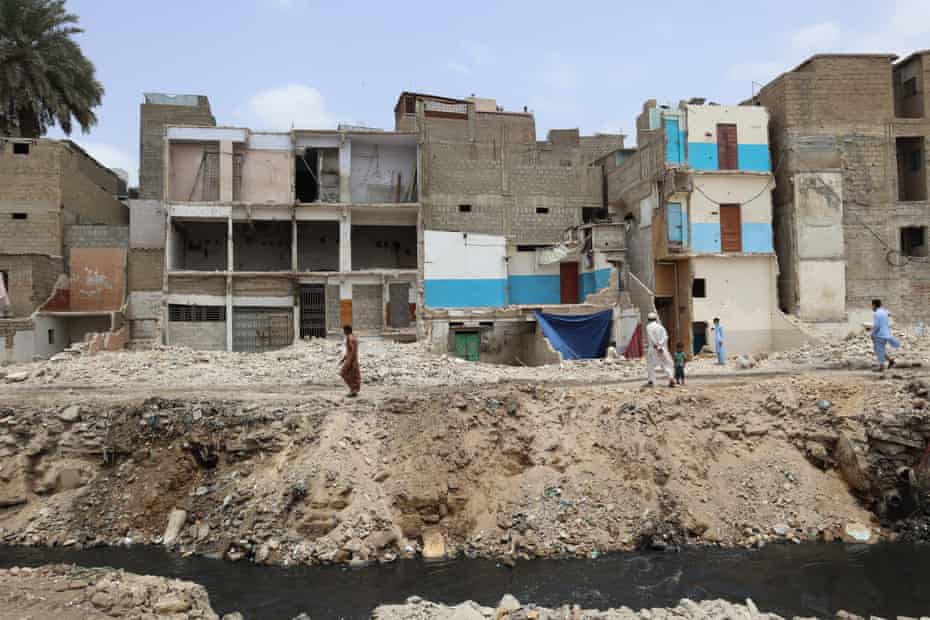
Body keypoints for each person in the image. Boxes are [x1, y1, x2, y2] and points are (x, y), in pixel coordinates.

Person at [644, 312, 676, 388]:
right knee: (666, 364)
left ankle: (652, 381)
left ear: (648, 319)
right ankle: (671, 377)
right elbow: (666, 337)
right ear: (656, 319)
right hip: (662, 349)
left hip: (653, 348)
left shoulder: (648, 327)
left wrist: (656, 345)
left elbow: (651, 337)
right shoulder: (660, 327)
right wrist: (661, 345)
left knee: (650, 365)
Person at [871, 299, 900, 371]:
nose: (872, 307)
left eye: (872, 306)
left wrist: (873, 334)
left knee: (878, 350)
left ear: (874, 305)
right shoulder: (884, 311)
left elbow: (877, 325)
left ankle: (882, 367)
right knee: (879, 349)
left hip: (879, 335)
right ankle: (890, 361)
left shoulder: (876, 313)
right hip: (886, 334)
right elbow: (889, 314)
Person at [339, 324, 361, 397]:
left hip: (351, 360)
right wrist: (344, 358)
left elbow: (353, 351)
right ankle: (354, 390)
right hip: (352, 359)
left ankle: (353, 389)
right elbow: (350, 350)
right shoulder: (352, 337)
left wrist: (350, 361)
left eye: (344, 331)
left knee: (343, 373)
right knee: (353, 375)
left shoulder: (350, 338)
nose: (343, 332)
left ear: (347, 330)